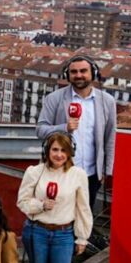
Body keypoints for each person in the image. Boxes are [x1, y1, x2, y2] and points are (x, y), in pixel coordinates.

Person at [16, 132, 92, 263]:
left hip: (64, 233)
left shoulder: (78, 175)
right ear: (47, 151)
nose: (59, 155)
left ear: (70, 153)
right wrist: (40, 205)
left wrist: (82, 237)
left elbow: (83, 207)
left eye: (63, 150)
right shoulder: (35, 172)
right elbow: (22, 201)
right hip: (37, 230)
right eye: (55, 149)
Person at [37, 54, 117, 212]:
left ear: (92, 73)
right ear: (68, 75)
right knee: (57, 215)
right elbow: (40, 130)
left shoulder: (107, 101)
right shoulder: (55, 98)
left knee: (84, 218)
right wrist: (64, 127)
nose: (78, 75)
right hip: (60, 171)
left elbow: (110, 138)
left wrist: (107, 171)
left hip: (91, 175)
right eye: (74, 72)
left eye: (83, 71)